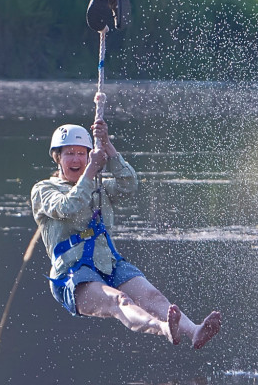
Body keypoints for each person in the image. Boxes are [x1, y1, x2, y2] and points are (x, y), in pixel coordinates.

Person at [30, 119, 221, 348]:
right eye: (69, 153)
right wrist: (90, 171)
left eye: (82, 153)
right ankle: (164, 329)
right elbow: (67, 207)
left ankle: (194, 331)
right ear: (58, 158)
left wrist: (108, 146)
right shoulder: (44, 190)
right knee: (118, 300)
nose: (76, 159)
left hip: (108, 264)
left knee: (154, 297)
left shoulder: (98, 185)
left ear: (89, 155)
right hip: (72, 275)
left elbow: (128, 185)